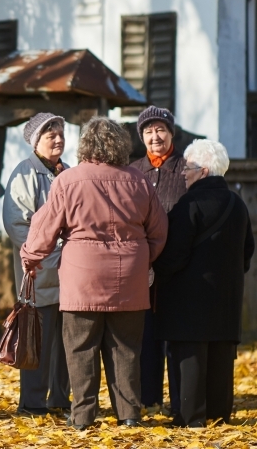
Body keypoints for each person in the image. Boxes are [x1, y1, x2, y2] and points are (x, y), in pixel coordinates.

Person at [21, 117, 168, 430]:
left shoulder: (68, 181)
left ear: (86, 145)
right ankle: (128, 414)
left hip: (82, 278)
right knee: (126, 349)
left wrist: (30, 258)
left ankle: (83, 415)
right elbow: (158, 230)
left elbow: (44, 228)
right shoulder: (138, 180)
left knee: (80, 349)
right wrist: (142, 259)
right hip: (129, 279)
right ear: (121, 145)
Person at [152, 140, 254, 427]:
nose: (184, 173)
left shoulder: (190, 204)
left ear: (204, 171)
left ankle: (191, 417)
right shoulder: (238, 203)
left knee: (190, 358)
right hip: (227, 299)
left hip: (188, 300)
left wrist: (159, 273)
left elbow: (174, 255)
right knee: (221, 356)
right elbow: (248, 249)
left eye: (189, 168)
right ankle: (219, 413)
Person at [2, 113, 71, 416]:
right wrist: (53, 253)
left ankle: (59, 398)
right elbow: (17, 225)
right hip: (40, 271)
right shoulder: (24, 173)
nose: (57, 140)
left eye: (60, 134)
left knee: (66, 343)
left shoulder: (68, 173)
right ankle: (32, 402)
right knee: (35, 338)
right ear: (35, 141)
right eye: (50, 135)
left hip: (70, 276)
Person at [129, 106, 186, 413]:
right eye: (148, 131)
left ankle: (179, 403)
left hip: (177, 269)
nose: (155, 136)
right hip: (141, 270)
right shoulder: (134, 170)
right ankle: (149, 399)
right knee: (145, 337)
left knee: (175, 338)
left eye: (160, 129)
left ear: (171, 133)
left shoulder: (185, 168)